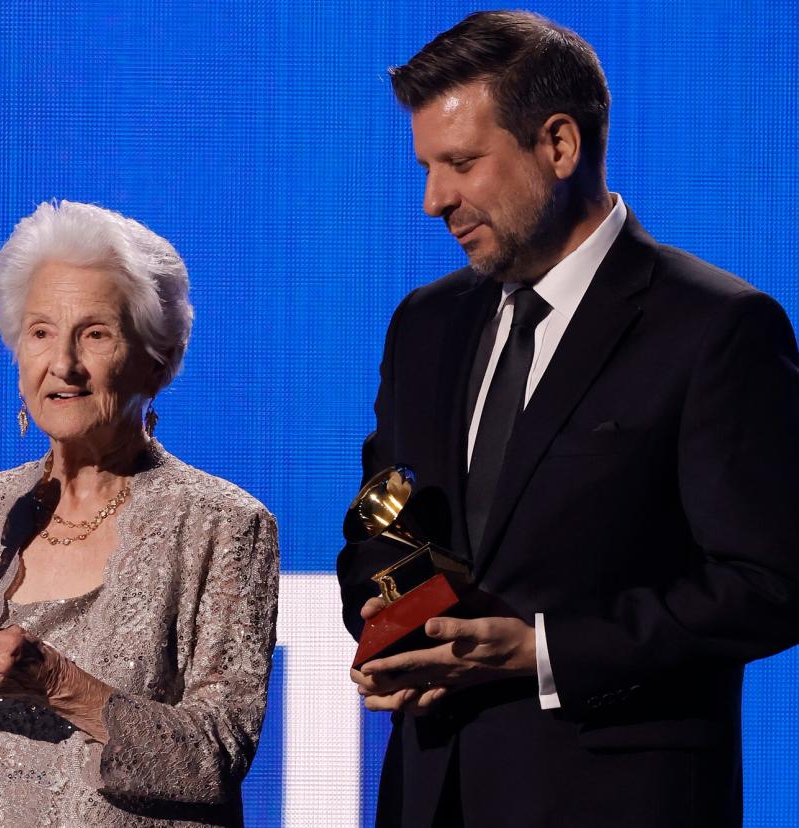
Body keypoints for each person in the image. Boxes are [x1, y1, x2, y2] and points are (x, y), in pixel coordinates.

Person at [337, 11, 799, 828]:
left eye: (461, 163)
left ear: (558, 145)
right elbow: (382, 528)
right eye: (427, 167)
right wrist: (390, 627)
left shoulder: (716, 327)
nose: (432, 199)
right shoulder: (424, 326)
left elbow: (769, 584)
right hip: (430, 796)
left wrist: (544, 651)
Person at [0, 200, 279, 827]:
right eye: (40, 331)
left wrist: (55, 681)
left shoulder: (222, 526)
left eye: (96, 333)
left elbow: (215, 757)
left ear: (156, 359)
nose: (64, 364)